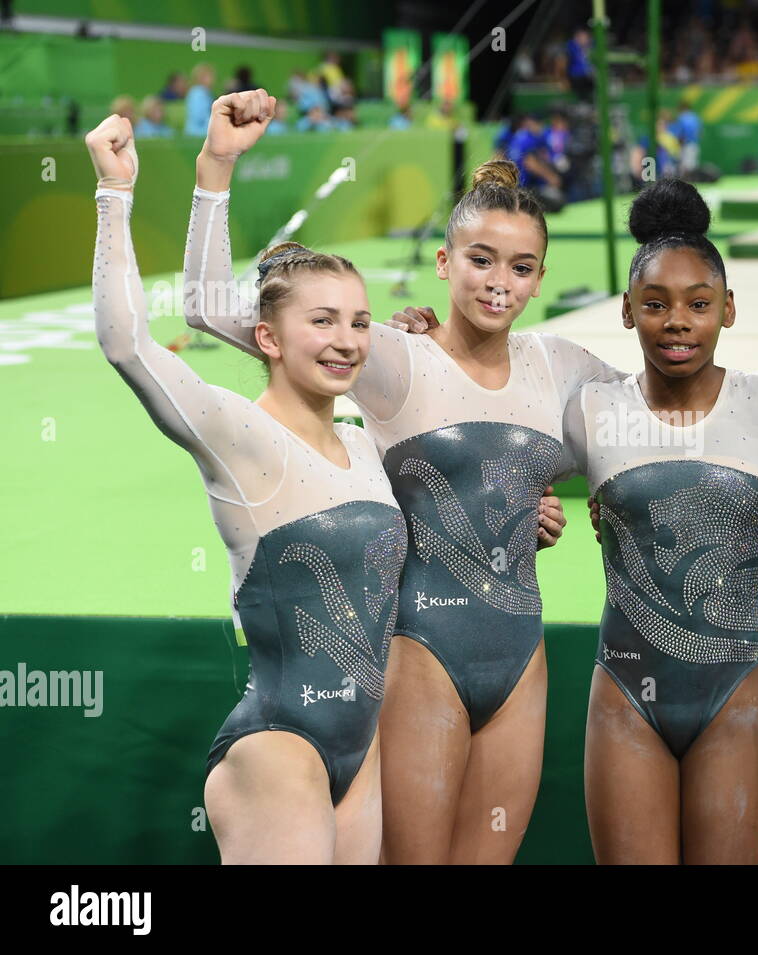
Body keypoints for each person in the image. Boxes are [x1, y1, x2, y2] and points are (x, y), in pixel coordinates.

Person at [184, 91, 610, 864]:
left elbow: (671, 422)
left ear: (542, 276)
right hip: (417, 648)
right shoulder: (391, 356)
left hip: (520, 655)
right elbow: (211, 309)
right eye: (479, 261)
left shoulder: (563, 368)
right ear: (445, 262)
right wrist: (218, 166)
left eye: (520, 268)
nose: (497, 283)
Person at [87, 109, 405, 864]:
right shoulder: (240, 436)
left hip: (361, 751)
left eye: (359, 321)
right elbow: (128, 342)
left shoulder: (365, 444)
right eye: (322, 320)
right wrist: (115, 191)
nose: (347, 340)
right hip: (277, 749)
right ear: (267, 337)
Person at [565, 179, 758, 864]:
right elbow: (499, 460)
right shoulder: (590, 408)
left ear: (727, 309)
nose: (677, 321)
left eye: (699, 304)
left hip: (733, 691)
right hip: (625, 690)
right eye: (655, 304)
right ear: (628, 311)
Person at [184, 63, 215, 136]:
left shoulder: (207, 93)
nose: (213, 79)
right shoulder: (197, 93)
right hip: (196, 134)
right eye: (210, 76)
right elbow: (198, 117)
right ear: (201, 77)